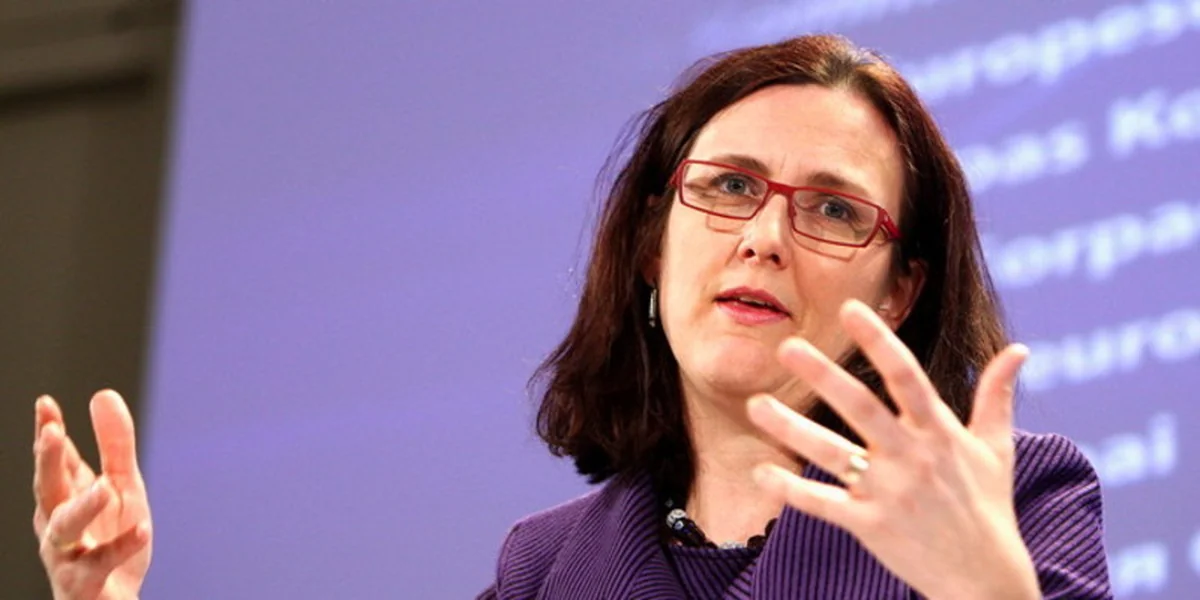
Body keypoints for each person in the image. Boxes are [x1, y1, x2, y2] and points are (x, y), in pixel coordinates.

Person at [31, 34, 1111, 599]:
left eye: (833, 209)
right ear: (651, 244)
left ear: (901, 288)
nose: (764, 236)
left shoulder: (1015, 501)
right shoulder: (545, 572)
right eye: (729, 186)